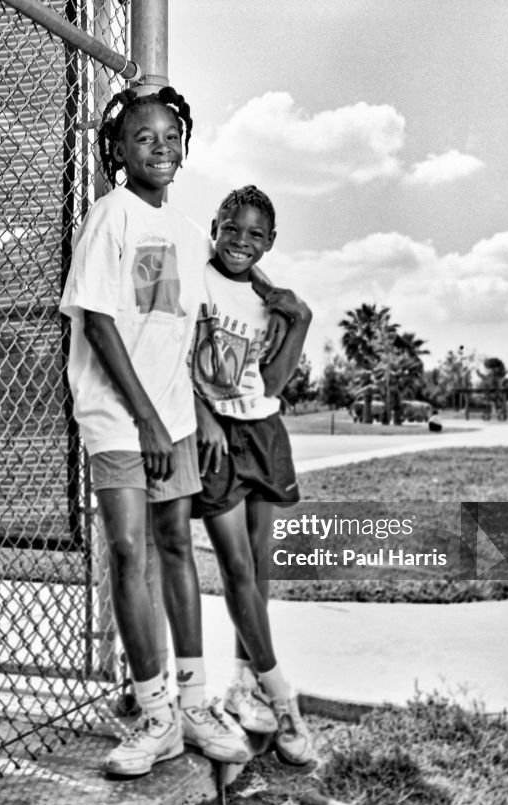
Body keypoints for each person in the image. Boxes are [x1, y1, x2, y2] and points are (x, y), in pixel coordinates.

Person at [59, 86, 249, 777]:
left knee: (175, 543)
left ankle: (195, 704)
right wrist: (143, 418)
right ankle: (154, 711)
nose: (160, 147)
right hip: (120, 417)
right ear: (118, 150)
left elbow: (178, 331)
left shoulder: (187, 229)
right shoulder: (111, 216)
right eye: (144, 137)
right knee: (129, 546)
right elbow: (101, 323)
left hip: (171, 418)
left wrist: (196, 413)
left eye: (170, 135)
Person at [190, 185, 316, 766]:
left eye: (255, 235)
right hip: (216, 437)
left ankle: (244, 683)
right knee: (236, 569)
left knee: (258, 574)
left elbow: (270, 384)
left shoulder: (272, 299)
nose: (241, 242)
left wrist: (302, 322)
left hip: (263, 432)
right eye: (232, 229)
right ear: (215, 225)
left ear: (270, 241)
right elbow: (168, 354)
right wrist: (202, 417)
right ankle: (283, 698)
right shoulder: (195, 280)